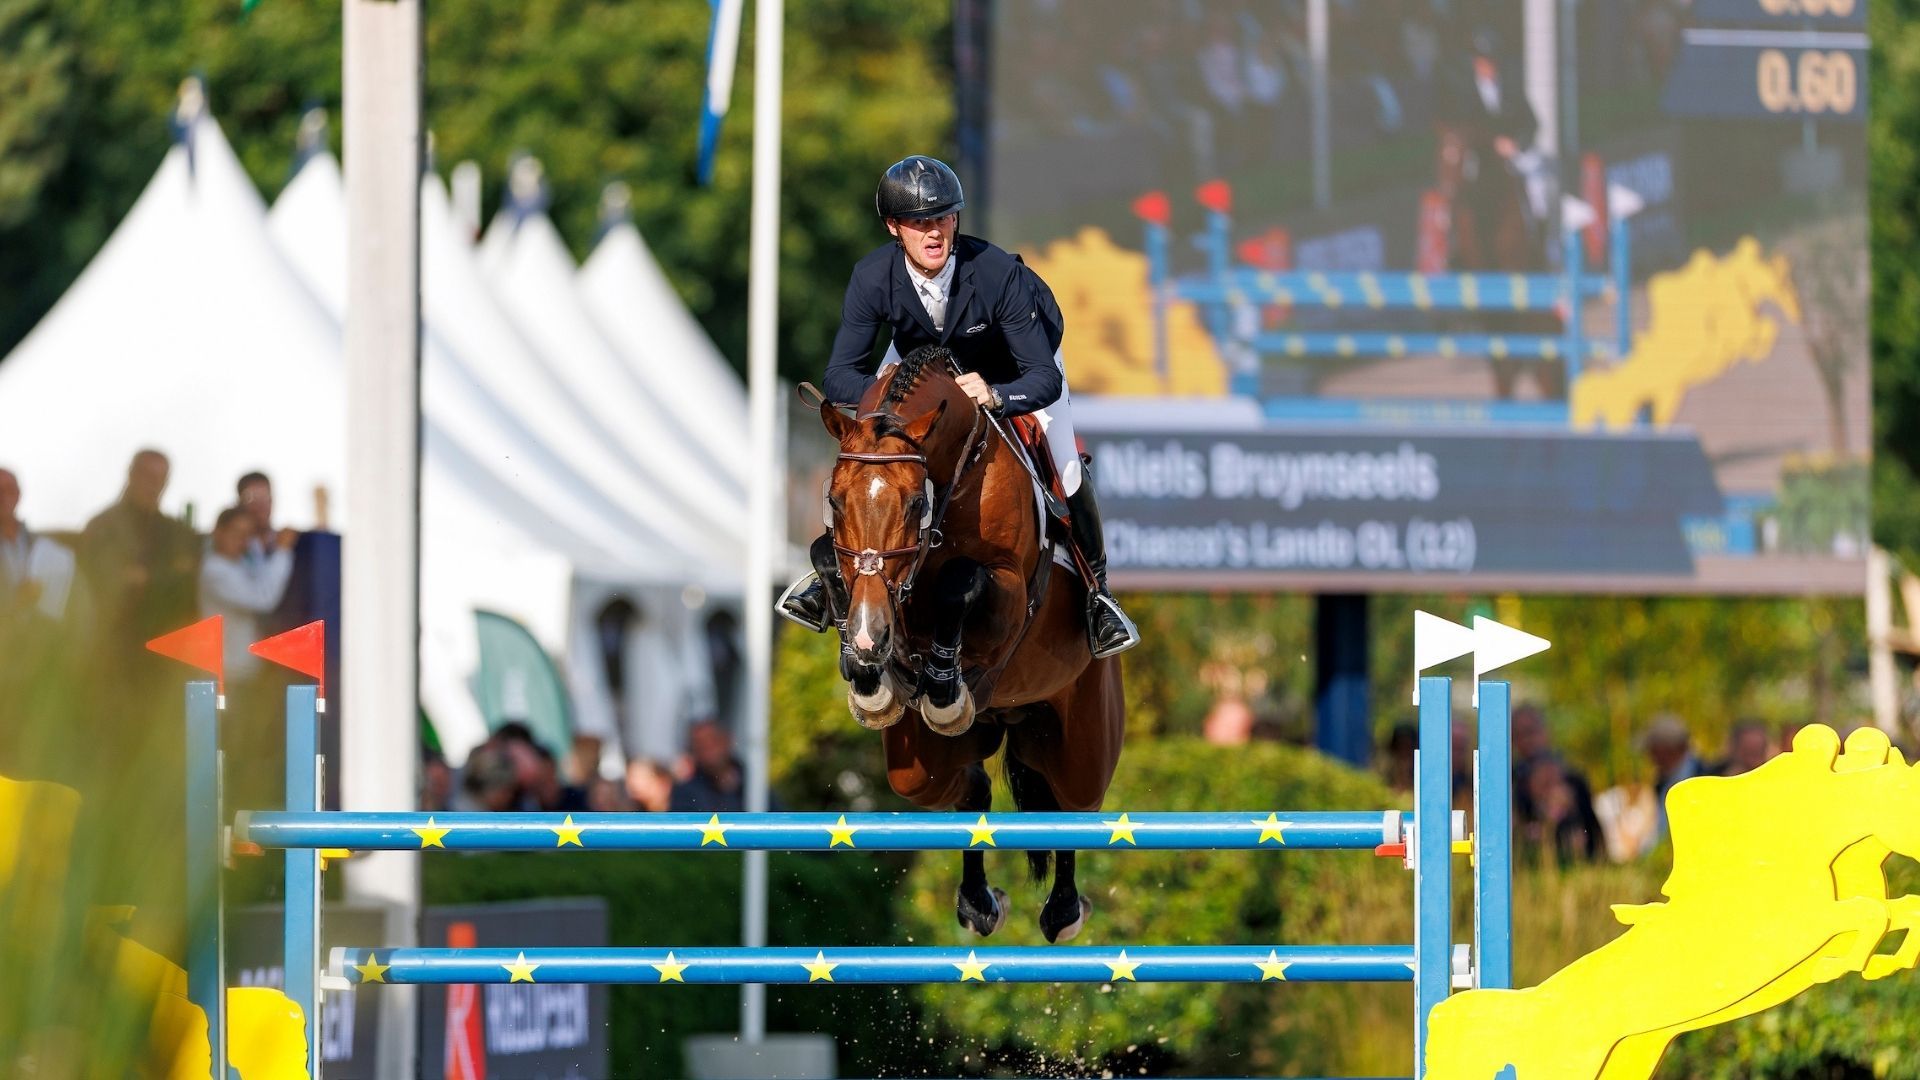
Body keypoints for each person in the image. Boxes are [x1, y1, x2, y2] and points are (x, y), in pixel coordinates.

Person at [777, 155, 1139, 658]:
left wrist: (994, 394)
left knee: (1068, 467)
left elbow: (1043, 378)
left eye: (943, 218)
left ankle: (1099, 597)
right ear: (893, 227)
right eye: (919, 222)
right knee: (870, 456)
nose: (933, 232)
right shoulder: (873, 276)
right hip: (923, 364)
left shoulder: (997, 274)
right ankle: (830, 582)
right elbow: (839, 375)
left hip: (1012, 365)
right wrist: (886, 400)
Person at [78, 449, 200, 655]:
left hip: (165, 641)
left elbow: (186, 580)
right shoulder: (104, 526)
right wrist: (166, 574)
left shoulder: (177, 531)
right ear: (132, 475)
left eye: (161, 478)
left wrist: (149, 577)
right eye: (148, 476)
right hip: (114, 644)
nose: (154, 484)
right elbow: (108, 578)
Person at [198, 507, 297, 680]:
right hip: (228, 674)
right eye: (236, 532)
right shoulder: (214, 571)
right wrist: (282, 550)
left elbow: (263, 578)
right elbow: (263, 598)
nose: (242, 541)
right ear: (218, 532)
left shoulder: (239, 564)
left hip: (244, 671)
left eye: (247, 535)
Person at [1640, 712, 1707, 850]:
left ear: (1665, 749)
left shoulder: (1706, 780)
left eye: (1652, 749)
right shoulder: (1662, 782)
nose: (1649, 756)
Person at [669, 720, 748, 813]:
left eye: (714, 741)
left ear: (727, 740)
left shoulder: (752, 782)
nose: (708, 749)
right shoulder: (685, 793)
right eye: (700, 745)